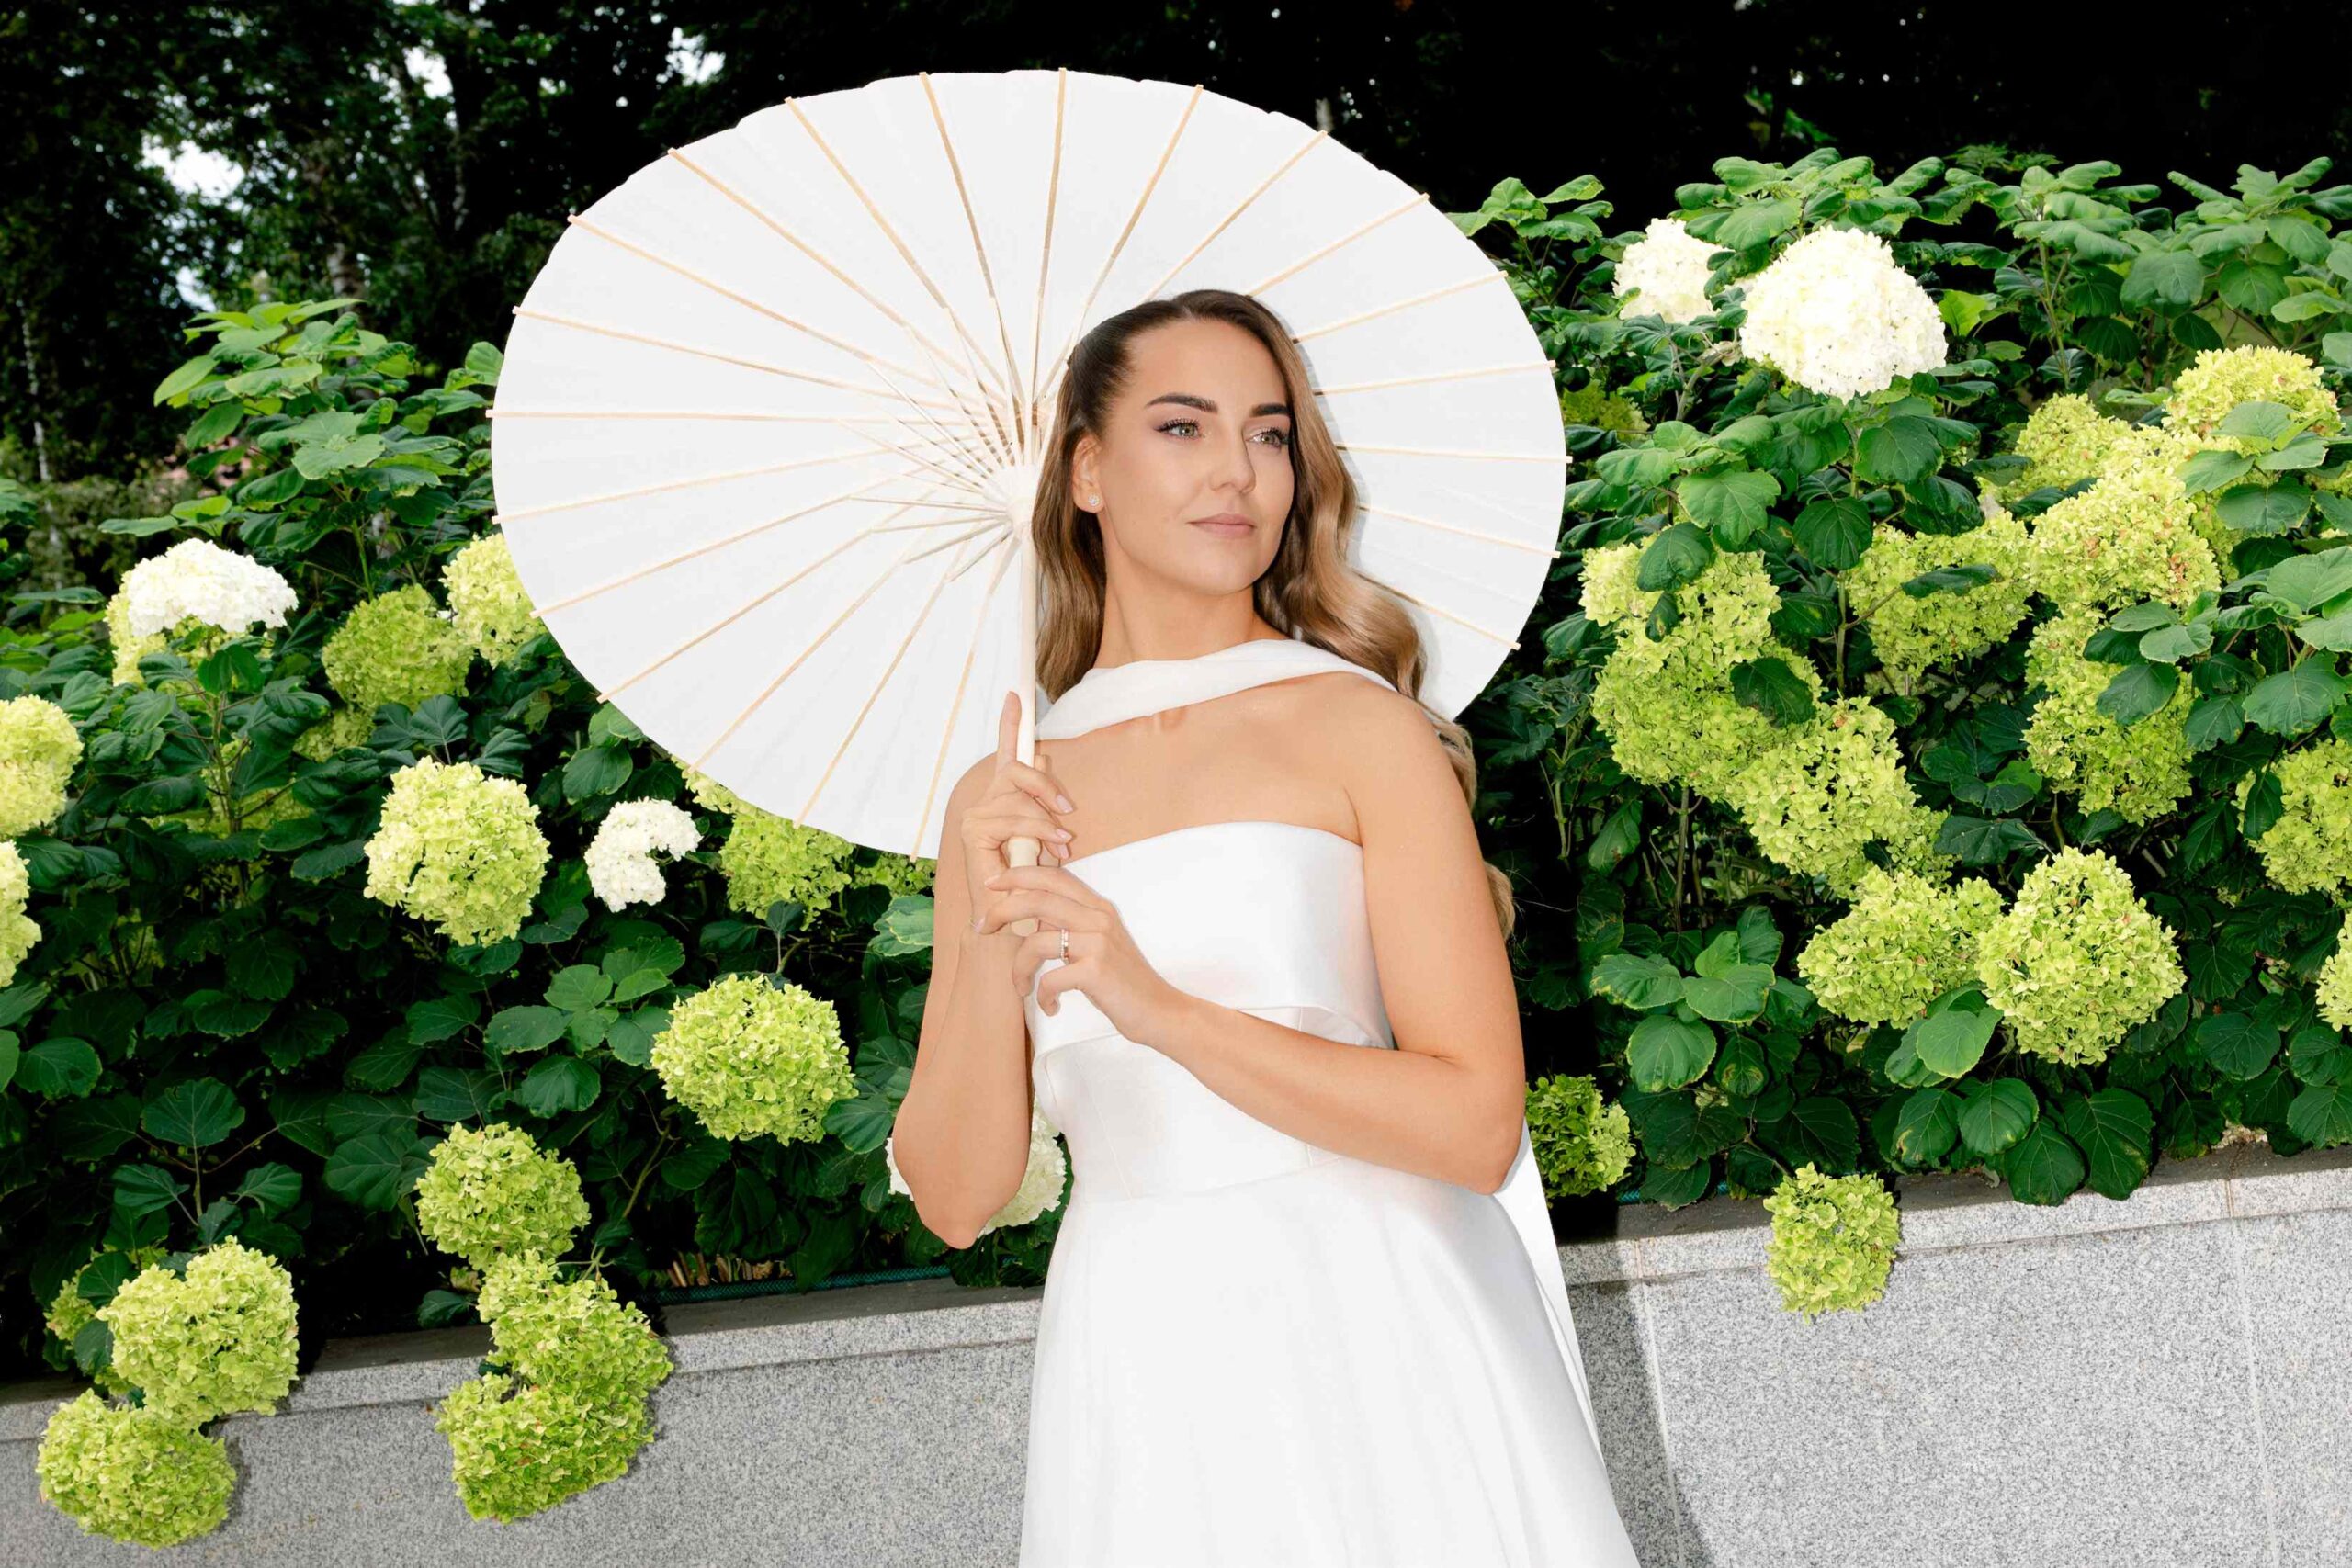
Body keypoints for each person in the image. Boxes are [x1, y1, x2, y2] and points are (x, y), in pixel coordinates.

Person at [890, 288, 1641, 1566]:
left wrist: (1160, 1007)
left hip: (1381, 1322)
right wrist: (979, 939)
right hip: (1139, 1358)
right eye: (1183, 429)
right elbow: (958, 1200)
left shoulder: (1360, 729)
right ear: (1085, 470)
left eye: (1271, 433)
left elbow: (1473, 1124)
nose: (1239, 471)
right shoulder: (1004, 796)